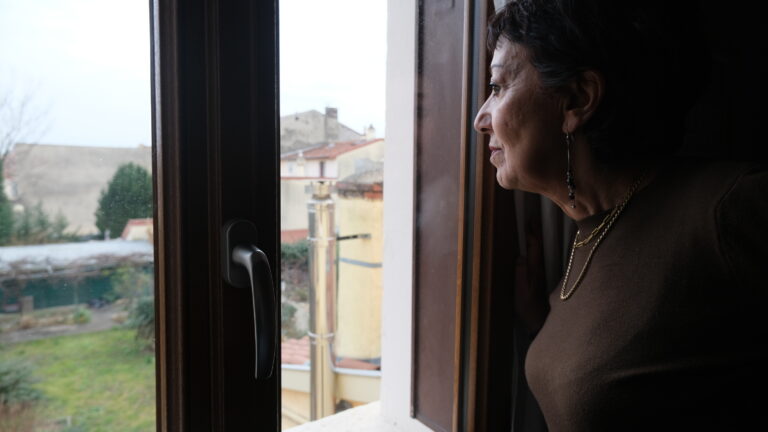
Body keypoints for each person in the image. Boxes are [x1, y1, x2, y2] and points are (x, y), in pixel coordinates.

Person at [473, 1, 767, 430]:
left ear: (578, 99)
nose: (481, 118)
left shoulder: (728, 209)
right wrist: (541, 323)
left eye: (498, 87)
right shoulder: (590, 233)